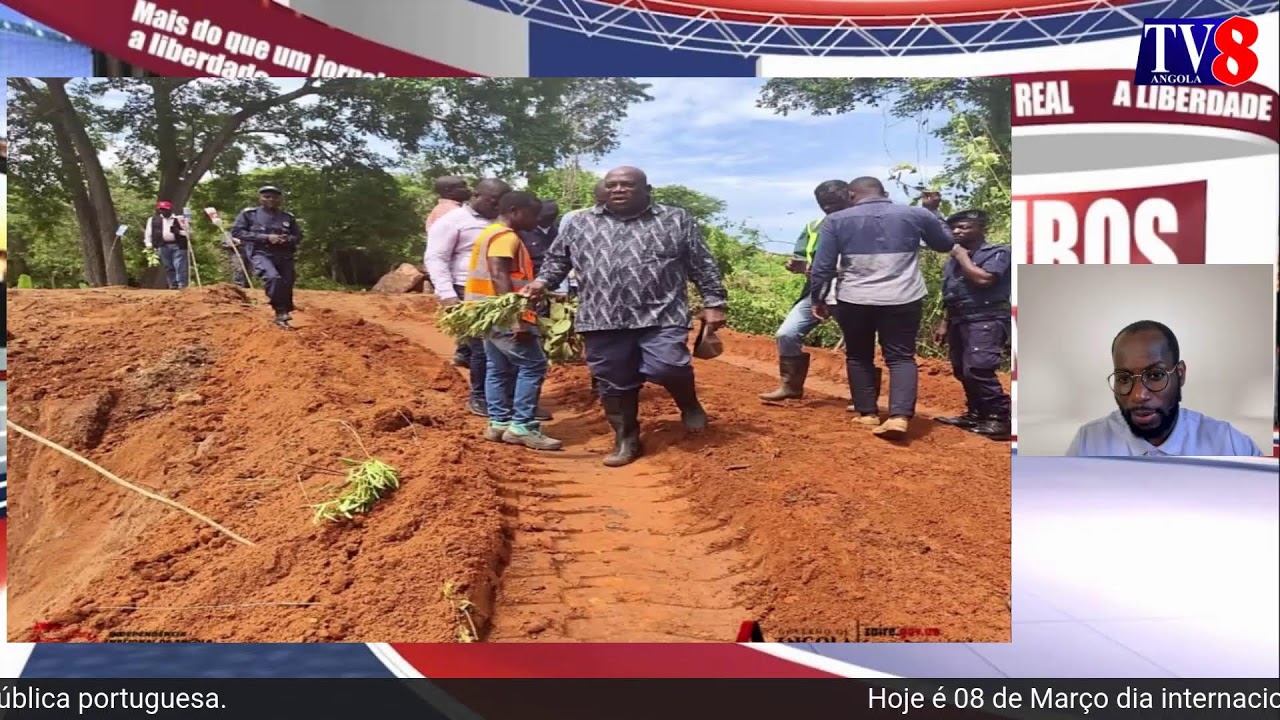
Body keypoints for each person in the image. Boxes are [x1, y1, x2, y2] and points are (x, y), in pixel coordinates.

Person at [525, 166, 728, 468]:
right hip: (602, 316)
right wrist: (542, 283)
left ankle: (688, 403)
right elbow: (557, 261)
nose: (618, 190)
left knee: (669, 365)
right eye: (612, 185)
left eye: (627, 185)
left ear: (647, 189)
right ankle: (626, 438)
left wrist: (715, 302)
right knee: (613, 382)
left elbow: (702, 262)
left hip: (661, 312)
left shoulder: (675, 219)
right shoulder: (579, 222)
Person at [809, 176, 954, 440]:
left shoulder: (835, 221)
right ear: (884, 192)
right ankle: (899, 417)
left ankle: (867, 414)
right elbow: (945, 244)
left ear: (851, 195)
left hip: (854, 298)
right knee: (900, 357)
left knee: (859, 355)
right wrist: (933, 211)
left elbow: (823, 267)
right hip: (903, 296)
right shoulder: (916, 214)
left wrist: (818, 299)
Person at [427, 179, 553, 421]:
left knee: (498, 359)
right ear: (476, 195)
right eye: (492, 201)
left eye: (500, 202)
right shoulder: (454, 222)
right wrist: (448, 296)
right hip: (476, 294)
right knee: (486, 354)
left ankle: (505, 410)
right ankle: (488, 402)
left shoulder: (497, 228)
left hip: (493, 296)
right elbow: (437, 258)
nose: (496, 206)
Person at [1066, 321, 1263, 456]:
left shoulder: (1228, 444)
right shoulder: (1088, 444)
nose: (1138, 395)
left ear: (1180, 374)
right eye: (1124, 378)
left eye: (1155, 375)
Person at [466, 191, 563, 451]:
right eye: (533, 214)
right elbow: (499, 274)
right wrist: (515, 319)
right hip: (502, 315)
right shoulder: (505, 237)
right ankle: (523, 426)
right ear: (515, 211)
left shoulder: (489, 232)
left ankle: (498, 423)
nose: (536, 220)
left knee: (497, 367)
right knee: (533, 365)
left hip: (484, 312)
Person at [759, 180, 850, 401]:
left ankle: (863, 400)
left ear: (850, 196)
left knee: (857, 343)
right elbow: (805, 258)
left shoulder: (861, 224)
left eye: (833, 202)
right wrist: (800, 267)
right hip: (817, 291)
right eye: (823, 203)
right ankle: (790, 386)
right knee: (787, 334)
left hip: (851, 291)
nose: (827, 208)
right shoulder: (813, 227)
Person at [932, 210, 1012, 440]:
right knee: (961, 369)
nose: (957, 231)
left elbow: (983, 279)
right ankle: (976, 414)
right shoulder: (955, 260)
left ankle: (999, 419)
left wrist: (961, 256)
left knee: (978, 368)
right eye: (954, 228)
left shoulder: (997, 252)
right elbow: (953, 294)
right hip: (960, 318)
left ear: (981, 228)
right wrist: (944, 323)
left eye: (964, 227)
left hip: (986, 318)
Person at [231, 186, 302, 329]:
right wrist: (266, 237)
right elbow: (237, 232)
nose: (271, 200)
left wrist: (286, 239)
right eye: (267, 197)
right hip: (261, 252)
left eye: (274, 197)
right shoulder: (249, 214)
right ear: (260, 198)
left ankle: (284, 314)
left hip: (284, 254)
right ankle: (280, 311)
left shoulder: (287, 217)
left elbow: (298, 236)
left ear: (280, 199)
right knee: (272, 277)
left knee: (287, 283)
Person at [426, 176, 474, 367]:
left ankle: (464, 352)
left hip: (451, 269)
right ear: (448, 190)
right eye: (462, 186)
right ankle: (464, 354)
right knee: (467, 319)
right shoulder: (450, 212)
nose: (467, 189)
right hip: (456, 272)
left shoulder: (441, 210)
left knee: (465, 319)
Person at [145, 201, 191, 290]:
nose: (163, 212)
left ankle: (182, 284)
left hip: (178, 245)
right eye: (161, 210)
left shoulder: (179, 219)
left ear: (170, 209)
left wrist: (179, 232)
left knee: (179, 265)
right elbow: (148, 232)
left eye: (165, 210)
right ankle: (173, 284)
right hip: (163, 245)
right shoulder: (153, 220)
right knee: (168, 266)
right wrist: (148, 243)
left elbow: (189, 233)